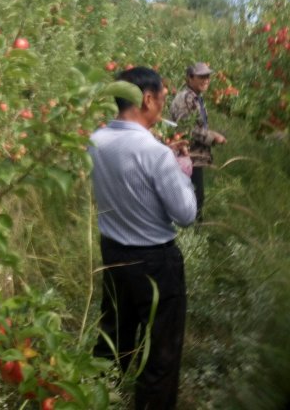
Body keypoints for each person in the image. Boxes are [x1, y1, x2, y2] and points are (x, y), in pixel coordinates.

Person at [90, 66, 197, 410]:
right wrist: (182, 169)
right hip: (155, 264)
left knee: (114, 339)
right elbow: (186, 215)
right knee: (160, 356)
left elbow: (128, 167)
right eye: (163, 99)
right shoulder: (157, 155)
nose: (163, 107)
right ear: (147, 99)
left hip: (114, 254)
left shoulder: (96, 140)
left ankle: (98, 400)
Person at [169, 62, 227, 222]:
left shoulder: (195, 98)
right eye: (201, 76)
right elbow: (186, 128)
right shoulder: (185, 98)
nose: (206, 80)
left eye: (207, 76)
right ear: (189, 78)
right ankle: (192, 236)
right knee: (194, 200)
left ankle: (194, 235)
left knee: (196, 198)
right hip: (187, 157)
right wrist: (212, 136)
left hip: (194, 157)